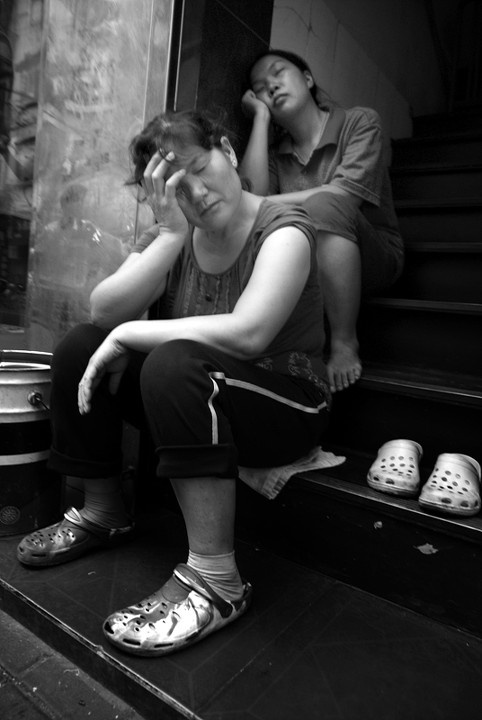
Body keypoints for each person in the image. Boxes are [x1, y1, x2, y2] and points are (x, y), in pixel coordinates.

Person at [16, 109, 331, 657]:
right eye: (176, 188)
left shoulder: (283, 227)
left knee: (170, 359)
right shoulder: (176, 231)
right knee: (82, 346)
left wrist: (132, 335)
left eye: (200, 170)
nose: (197, 194)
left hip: (287, 402)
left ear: (227, 151)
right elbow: (103, 309)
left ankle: (217, 580)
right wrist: (169, 235)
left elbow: (250, 333)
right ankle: (104, 512)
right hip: (201, 393)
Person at [240, 49, 404, 393]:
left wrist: (257, 203)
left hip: (373, 257)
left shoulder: (359, 122)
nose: (271, 86)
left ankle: (344, 342)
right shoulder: (276, 155)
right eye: (260, 88)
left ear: (308, 78)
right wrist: (261, 120)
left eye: (278, 73)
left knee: (326, 203)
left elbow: (345, 195)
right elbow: (248, 200)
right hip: (307, 269)